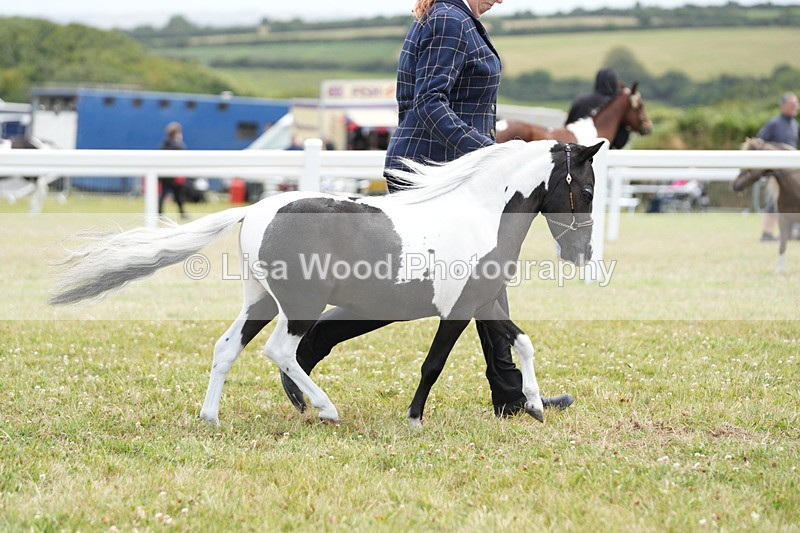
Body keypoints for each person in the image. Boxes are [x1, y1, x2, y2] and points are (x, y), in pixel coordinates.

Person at [279, 0, 574, 418]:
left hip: (450, 171)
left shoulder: (456, 18)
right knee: (413, 290)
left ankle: (509, 392)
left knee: (484, 278)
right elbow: (429, 102)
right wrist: (489, 153)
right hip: (432, 171)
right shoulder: (451, 20)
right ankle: (308, 344)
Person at [756, 92, 798, 241]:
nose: (795, 107)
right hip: (776, 172)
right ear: (783, 105)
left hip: (791, 172)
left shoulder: (795, 124)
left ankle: (790, 233)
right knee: (773, 202)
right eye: (791, 104)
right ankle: (767, 233)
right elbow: (759, 143)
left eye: (796, 104)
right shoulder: (774, 123)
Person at [566, 67, 630, 150]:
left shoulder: (580, 101)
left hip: (577, 151)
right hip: (609, 150)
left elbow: (568, 126)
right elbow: (621, 139)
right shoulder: (616, 104)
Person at [158, 122, 188, 219]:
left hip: (164, 174)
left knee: (163, 195)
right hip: (173, 175)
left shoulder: (164, 144)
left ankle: (159, 213)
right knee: (178, 195)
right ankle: (182, 213)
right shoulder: (177, 145)